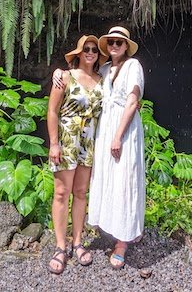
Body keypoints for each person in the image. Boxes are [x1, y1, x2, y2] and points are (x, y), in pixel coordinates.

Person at [46, 34, 106, 275]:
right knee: (61, 193)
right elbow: (52, 111)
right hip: (67, 140)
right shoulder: (65, 77)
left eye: (94, 49)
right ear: (79, 53)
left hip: (89, 142)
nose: (91, 52)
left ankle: (78, 242)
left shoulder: (102, 79)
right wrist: (53, 143)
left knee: (81, 192)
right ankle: (60, 247)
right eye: (86, 48)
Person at [87, 25, 145, 269]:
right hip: (105, 127)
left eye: (118, 43)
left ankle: (123, 241)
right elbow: (83, 75)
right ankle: (110, 226)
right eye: (110, 42)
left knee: (124, 179)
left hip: (124, 129)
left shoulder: (134, 66)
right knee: (106, 176)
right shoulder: (104, 68)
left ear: (126, 46)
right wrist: (60, 71)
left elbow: (132, 102)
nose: (113, 46)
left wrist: (118, 136)